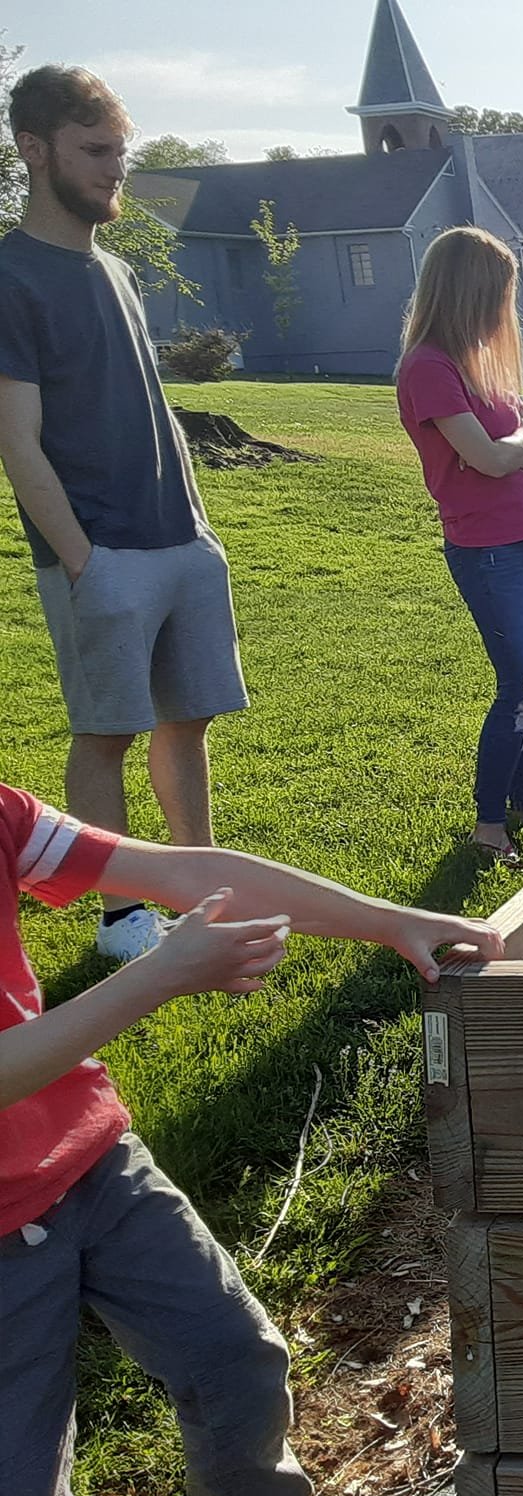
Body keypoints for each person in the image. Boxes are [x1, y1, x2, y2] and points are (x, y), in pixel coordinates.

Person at [0, 778, 503, 1496]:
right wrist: (161, 974)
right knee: (18, 1495)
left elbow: (192, 874)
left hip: (92, 1162)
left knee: (234, 1363)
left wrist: (391, 922)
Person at [0, 66, 250, 963]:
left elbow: (151, 406)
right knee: (105, 732)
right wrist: (81, 560)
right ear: (35, 150)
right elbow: (18, 443)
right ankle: (121, 921)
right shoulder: (10, 276)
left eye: (121, 151)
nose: (116, 171)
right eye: (96, 152)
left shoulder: (117, 270)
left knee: (190, 722)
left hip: (180, 539)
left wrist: (201, 527)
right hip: (99, 553)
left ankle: (200, 894)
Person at [396, 226, 523, 866]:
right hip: (486, 549)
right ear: (469, 290)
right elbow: (494, 456)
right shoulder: (430, 369)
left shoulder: (480, 366)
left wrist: (516, 450)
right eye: (499, 292)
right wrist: (518, 448)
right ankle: (489, 826)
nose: (505, 309)